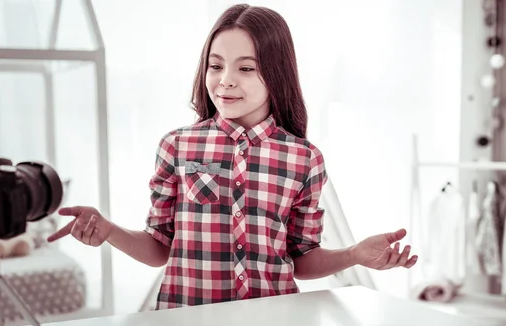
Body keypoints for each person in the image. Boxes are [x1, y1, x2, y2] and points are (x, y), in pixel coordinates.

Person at [47, 4, 418, 309]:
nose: (225, 80)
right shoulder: (178, 146)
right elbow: (159, 247)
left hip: (275, 325)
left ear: (276, 73)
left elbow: (302, 259)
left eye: (246, 68)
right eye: (216, 65)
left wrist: (354, 253)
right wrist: (109, 230)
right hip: (186, 323)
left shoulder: (305, 159)